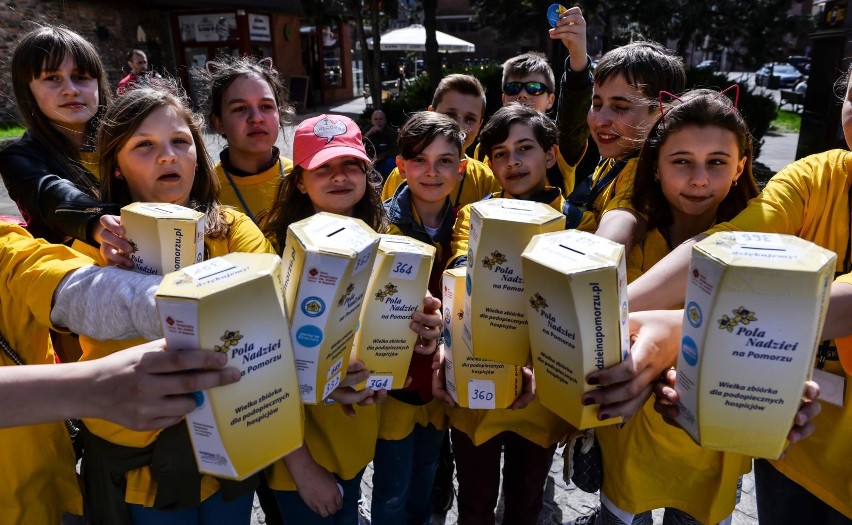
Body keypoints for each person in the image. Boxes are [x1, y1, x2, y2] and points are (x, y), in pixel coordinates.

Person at [618, 64, 852, 523]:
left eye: (716, 162)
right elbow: (724, 245)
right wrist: (604, 313)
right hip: (789, 451)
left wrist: (688, 329)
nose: (699, 179)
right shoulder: (816, 177)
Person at [78, 86, 274, 525]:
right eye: (144, 145)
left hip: (230, 445)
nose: (167, 155)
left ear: (197, 155)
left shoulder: (232, 230)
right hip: (145, 468)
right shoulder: (95, 248)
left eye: (180, 142)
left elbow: (267, 318)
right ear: (117, 166)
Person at [261, 114, 442, 525]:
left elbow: (387, 341)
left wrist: (424, 335)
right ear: (300, 181)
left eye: (350, 165)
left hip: (355, 442)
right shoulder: (271, 254)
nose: (339, 177)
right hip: (301, 458)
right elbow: (259, 374)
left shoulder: (387, 245)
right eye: (323, 167)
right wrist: (303, 469)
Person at [0, 220, 241, 524]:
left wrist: (178, 308)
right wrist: (88, 389)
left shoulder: (6, 243)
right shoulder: (100, 243)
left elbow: (74, 287)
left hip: (39, 494)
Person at [593, 88, 759, 525]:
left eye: (717, 162)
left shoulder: (763, 254)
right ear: (657, 165)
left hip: (711, 450)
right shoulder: (630, 246)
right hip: (629, 442)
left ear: (741, 166)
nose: (699, 179)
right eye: (681, 161)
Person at [437, 104, 577, 525]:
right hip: (477, 376)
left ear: (550, 155)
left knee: (526, 498)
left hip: (540, 391)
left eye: (524, 148)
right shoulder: (472, 217)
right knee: (476, 501)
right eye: (499, 153)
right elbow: (460, 271)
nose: (512, 161)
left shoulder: (577, 222)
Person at [371, 111, 467, 524]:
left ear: (461, 168)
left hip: (444, 380)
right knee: (392, 486)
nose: (432, 172)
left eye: (445, 161)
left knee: (429, 472)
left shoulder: (470, 225)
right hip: (396, 383)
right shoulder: (378, 227)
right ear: (400, 166)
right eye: (420, 161)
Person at [567, 40, 686, 254]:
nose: (601, 119)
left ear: (662, 114)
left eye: (620, 107)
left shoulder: (643, 171)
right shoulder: (616, 156)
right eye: (596, 104)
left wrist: (593, 254)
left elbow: (624, 217)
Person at [0, 25, 114, 246]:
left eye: (81, 76)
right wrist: (97, 221)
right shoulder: (20, 158)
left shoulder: (126, 141)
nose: (71, 89)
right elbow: (52, 196)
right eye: (52, 78)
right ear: (28, 90)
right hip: (76, 271)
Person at [200, 55, 295, 225]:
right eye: (240, 108)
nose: (256, 118)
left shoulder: (300, 178)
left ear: (279, 116)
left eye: (266, 106)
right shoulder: (206, 190)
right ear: (219, 122)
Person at [381, 74, 501, 207]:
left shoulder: (487, 180)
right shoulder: (402, 175)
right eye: (450, 115)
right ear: (431, 113)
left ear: (480, 125)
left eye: (469, 120)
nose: (459, 126)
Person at [362, 109, 398, 180]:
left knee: (390, 162)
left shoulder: (391, 133)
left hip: (384, 162)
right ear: (372, 121)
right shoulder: (367, 131)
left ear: (385, 120)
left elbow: (394, 150)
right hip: (369, 162)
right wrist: (368, 134)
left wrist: (379, 158)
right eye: (376, 119)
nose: (378, 121)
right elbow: (359, 144)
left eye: (381, 119)